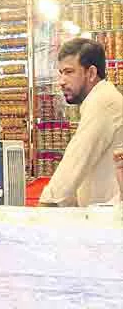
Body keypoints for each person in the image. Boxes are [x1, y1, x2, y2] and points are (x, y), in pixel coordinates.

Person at [40, 38, 123, 207]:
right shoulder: (101, 98)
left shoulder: (103, 102)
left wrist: (45, 206)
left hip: (107, 221)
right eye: (61, 73)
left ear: (91, 73)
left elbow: (76, 160)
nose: (61, 81)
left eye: (69, 72)